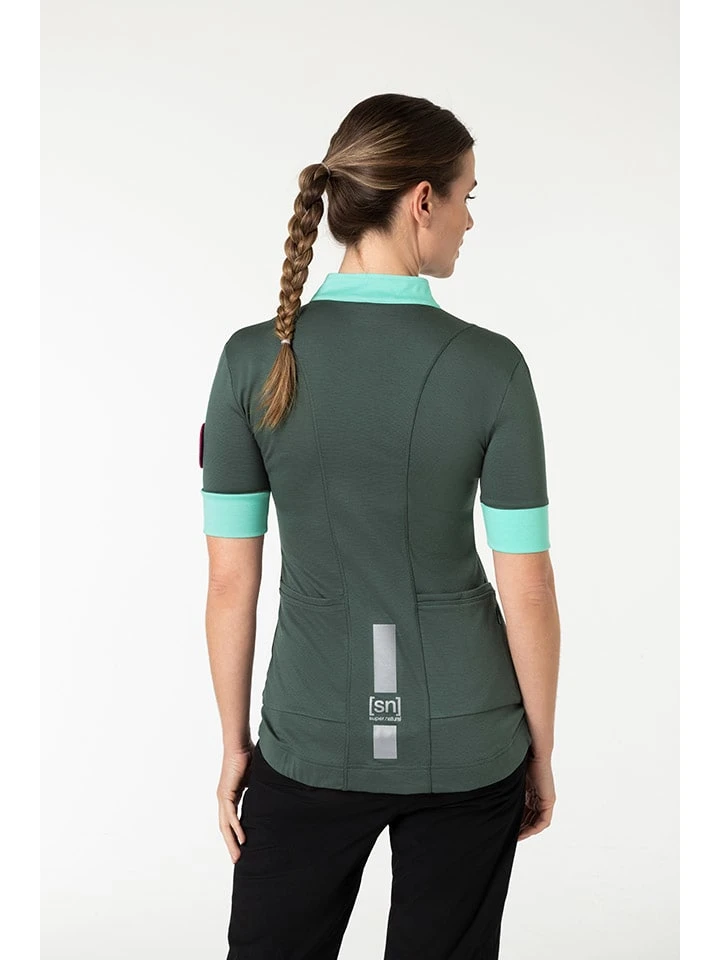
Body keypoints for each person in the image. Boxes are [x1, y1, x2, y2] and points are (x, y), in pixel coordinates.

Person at [200, 93, 561, 960]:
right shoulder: (492, 367)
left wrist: (235, 746)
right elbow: (528, 589)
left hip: (309, 736)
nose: (470, 221)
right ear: (422, 200)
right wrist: (541, 752)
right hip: (471, 741)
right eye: (468, 196)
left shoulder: (253, 360)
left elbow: (229, 584)